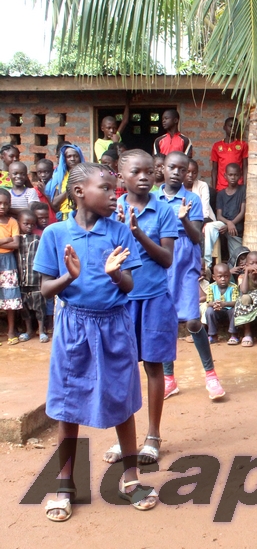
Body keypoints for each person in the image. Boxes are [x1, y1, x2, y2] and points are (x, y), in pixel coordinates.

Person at [33, 162, 157, 521]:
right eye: (105, 188)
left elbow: (130, 286)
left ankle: (131, 479)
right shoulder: (56, 234)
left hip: (114, 325)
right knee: (68, 404)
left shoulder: (119, 232)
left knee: (122, 399)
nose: (113, 194)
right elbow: (44, 289)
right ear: (78, 193)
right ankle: (64, 484)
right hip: (74, 327)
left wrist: (116, 273)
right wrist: (69, 278)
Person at [103, 149, 178, 468]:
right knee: (122, 369)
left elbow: (166, 258)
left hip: (154, 299)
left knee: (153, 367)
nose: (145, 177)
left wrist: (137, 233)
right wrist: (121, 231)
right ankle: (126, 439)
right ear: (121, 176)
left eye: (150, 171)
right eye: (137, 172)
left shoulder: (163, 211)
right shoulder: (110, 209)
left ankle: (152, 436)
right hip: (121, 301)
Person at [155, 152, 224, 400]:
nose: (176, 172)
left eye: (182, 169)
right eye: (172, 167)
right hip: (161, 260)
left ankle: (211, 376)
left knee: (194, 321)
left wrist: (183, 219)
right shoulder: (153, 198)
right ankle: (169, 379)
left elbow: (196, 236)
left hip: (184, 261)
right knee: (166, 323)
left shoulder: (192, 198)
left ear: (187, 174)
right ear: (162, 169)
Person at [204, 164, 246, 267]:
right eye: (230, 175)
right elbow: (219, 216)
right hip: (223, 225)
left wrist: (231, 225)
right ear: (225, 176)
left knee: (236, 259)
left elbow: (242, 212)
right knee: (210, 226)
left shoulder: (243, 190)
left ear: (240, 176)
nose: (233, 177)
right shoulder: (221, 194)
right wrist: (228, 223)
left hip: (235, 230)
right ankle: (207, 264)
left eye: (236, 175)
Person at [15, 210, 46, 342]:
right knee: (25, 308)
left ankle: (41, 330)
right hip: (21, 281)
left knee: (39, 307)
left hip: (35, 280)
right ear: (19, 223)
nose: (29, 227)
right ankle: (29, 330)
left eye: (32, 224)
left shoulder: (38, 239)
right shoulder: (16, 240)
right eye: (26, 224)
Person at [0, 188, 22, 344]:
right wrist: (7, 240)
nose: (2, 206)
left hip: (8, 261)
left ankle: (11, 331)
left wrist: (5, 242)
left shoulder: (13, 222)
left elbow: (16, 244)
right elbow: (11, 241)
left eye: (6, 204)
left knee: (10, 297)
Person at [210, 117, 249, 192]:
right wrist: (214, 189)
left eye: (235, 127)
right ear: (224, 127)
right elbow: (214, 170)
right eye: (230, 126)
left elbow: (245, 167)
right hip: (221, 187)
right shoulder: (217, 146)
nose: (233, 129)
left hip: (238, 187)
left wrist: (244, 186)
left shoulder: (242, 145)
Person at [205, 263, 239, 344]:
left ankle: (234, 335)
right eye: (220, 276)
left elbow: (235, 302)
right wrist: (215, 304)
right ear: (214, 277)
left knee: (235, 310)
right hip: (217, 311)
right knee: (209, 311)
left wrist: (224, 304)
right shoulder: (211, 287)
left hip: (229, 310)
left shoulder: (233, 287)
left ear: (230, 276)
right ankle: (213, 335)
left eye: (226, 276)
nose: (223, 279)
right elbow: (209, 302)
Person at [51, 144, 84, 221]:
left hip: (82, 215)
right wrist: (69, 189)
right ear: (64, 159)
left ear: (80, 158)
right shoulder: (60, 176)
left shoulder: (86, 175)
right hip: (64, 216)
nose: (72, 159)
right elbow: (55, 203)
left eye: (76, 156)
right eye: (69, 156)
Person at [32, 159, 58, 225]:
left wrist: (45, 193)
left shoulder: (56, 188)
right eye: (39, 172)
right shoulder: (35, 190)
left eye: (46, 172)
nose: (43, 175)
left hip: (53, 222)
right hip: (39, 224)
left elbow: (56, 209)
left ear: (52, 172)